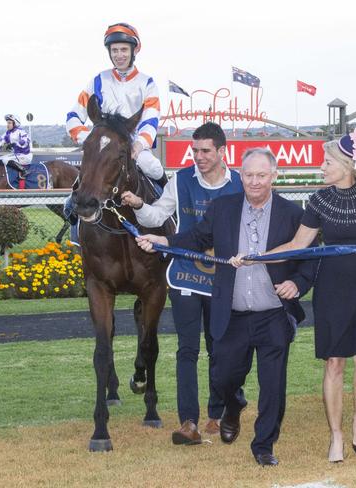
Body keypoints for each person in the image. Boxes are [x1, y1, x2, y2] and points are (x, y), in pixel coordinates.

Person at [235, 127, 356, 463]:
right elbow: (297, 245)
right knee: (334, 363)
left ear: (346, 164)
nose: (321, 167)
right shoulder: (319, 200)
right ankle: (336, 435)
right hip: (331, 290)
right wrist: (256, 256)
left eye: (326, 161)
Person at [135, 148, 317, 466]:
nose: (255, 181)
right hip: (232, 315)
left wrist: (298, 284)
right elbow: (195, 238)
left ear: (274, 175)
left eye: (262, 175)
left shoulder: (292, 214)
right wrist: (164, 242)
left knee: (273, 385)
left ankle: (264, 446)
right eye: (249, 175)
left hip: (273, 313)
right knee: (223, 379)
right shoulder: (223, 208)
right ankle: (233, 406)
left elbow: (310, 258)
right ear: (240, 175)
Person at [121, 122, 244, 446]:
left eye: (205, 151)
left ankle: (217, 414)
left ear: (221, 151)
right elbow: (156, 216)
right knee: (187, 350)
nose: (199, 156)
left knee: (220, 347)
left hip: (223, 280)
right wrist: (138, 205)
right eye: (195, 150)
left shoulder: (240, 185)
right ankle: (188, 422)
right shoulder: (182, 179)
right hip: (185, 275)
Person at [64, 22, 165, 244]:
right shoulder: (97, 80)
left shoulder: (146, 82)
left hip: (135, 147)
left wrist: (138, 146)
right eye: (115, 50)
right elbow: (73, 117)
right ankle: (77, 234)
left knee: (154, 168)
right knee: (74, 195)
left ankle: (171, 218)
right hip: (104, 149)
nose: (119, 55)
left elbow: (151, 118)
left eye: (123, 50)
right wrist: (91, 141)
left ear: (133, 51)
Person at [0, 114, 32, 179]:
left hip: (25, 155)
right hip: (16, 155)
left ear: (15, 123)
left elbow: (26, 141)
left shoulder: (21, 131)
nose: (7, 125)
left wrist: (15, 144)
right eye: (7, 123)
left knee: (5, 160)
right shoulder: (7, 134)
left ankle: (24, 170)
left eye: (9, 123)